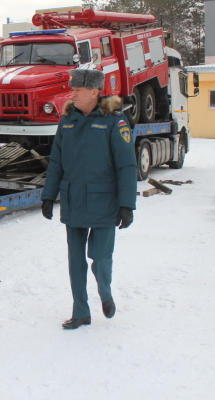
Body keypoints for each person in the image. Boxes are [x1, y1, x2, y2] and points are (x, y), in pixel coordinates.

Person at [41, 68, 137, 330]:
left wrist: (127, 204)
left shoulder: (114, 122)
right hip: (74, 200)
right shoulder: (67, 121)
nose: (73, 94)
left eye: (78, 90)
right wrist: (48, 195)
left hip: (104, 201)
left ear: (94, 92)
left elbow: (126, 166)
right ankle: (81, 312)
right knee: (75, 260)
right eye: (73, 89)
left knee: (101, 258)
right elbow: (57, 162)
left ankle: (105, 292)